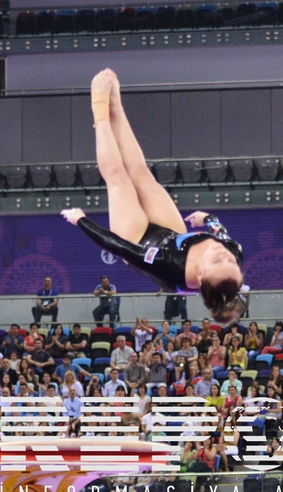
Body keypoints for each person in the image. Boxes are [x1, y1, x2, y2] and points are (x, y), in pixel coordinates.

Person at [62, 72, 244, 322]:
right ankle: (116, 103)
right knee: (142, 173)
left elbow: (118, 246)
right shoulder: (233, 252)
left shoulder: (170, 269)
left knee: (119, 179)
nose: (222, 254)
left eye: (216, 261)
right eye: (230, 261)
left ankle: (100, 108)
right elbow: (221, 232)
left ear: (200, 275)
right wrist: (208, 218)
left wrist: (81, 220)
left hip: (137, 241)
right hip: (172, 233)